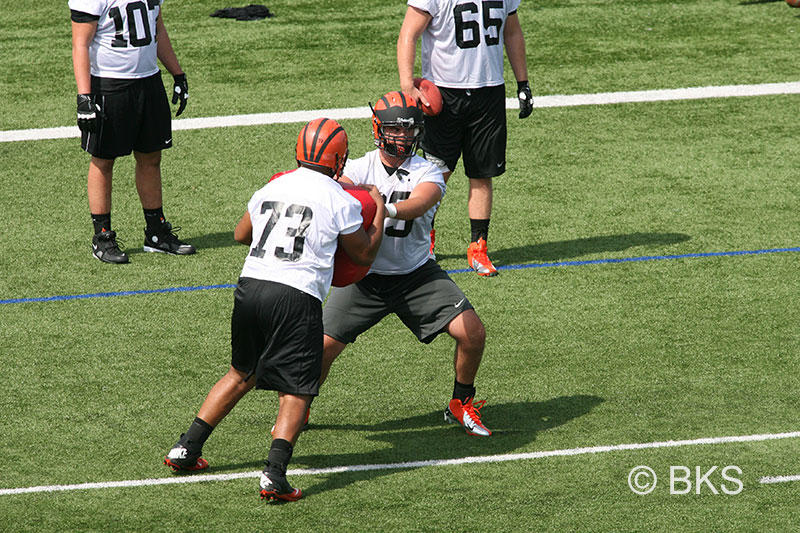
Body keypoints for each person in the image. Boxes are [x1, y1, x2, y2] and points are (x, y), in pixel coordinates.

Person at [163, 118, 385, 502]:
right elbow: (363, 252)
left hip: (251, 286)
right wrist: (378, 210)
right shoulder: (341, 199)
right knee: (297, 390)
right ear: (338, 159)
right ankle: (274, 474)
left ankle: (186, 448)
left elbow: (241, 234)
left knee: (240, 373)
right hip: (296, 296)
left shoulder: (273, 184)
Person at [319, 91, 492, 437]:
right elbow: (336, 192)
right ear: (378, 130)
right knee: (318, 350)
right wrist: (363, 200)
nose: (404, 136)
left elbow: (421, 199)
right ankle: (300, 404)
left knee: (472, 333)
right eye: (396, 130)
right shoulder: (357, 168)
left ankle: (461, 401)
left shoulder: (426, 170)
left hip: (416, 275)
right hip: (364, 277)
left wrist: (380, 207)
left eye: (410, 129)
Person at [397, 0, 533, 276]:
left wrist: (523, 82)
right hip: (444, 95)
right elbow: (408, 33)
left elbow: (512, 31)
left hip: (489, 91)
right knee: (435, 174)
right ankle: (422, 242)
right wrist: (406, 83)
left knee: (482, 173)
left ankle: (478, 247)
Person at [70, 0, 195, 264]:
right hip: (109, 85)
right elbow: (80, 43)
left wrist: (177, 73)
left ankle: (156, 233)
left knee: (151, 156)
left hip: (149, 81)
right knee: (103, 160)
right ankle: (102, 236)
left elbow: (157, 29)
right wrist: (84, 97)